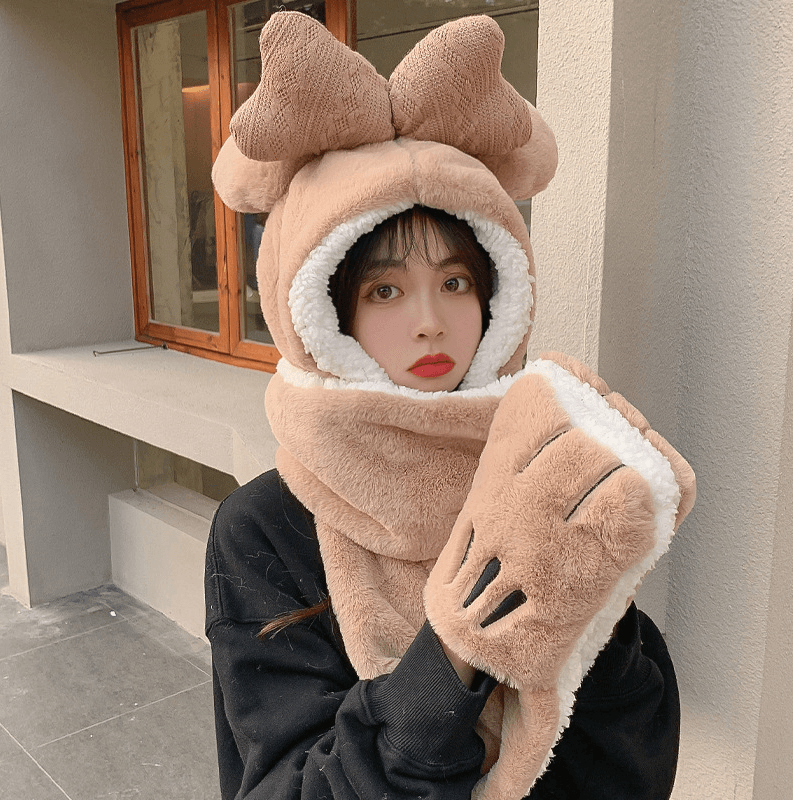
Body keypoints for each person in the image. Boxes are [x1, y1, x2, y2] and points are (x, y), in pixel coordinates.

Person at [206, 11, 695, 800]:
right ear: (322, 310)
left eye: (457, 281)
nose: (431, 321)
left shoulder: (544, 474)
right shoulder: (264, 527)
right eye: (385, 289)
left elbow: (633, 768)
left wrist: (599, 594)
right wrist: (461, 642)